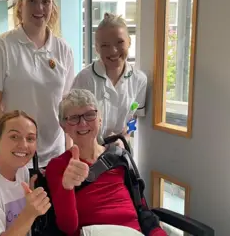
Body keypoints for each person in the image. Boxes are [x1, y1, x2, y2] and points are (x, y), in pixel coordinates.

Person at [0, 0, 75, 170]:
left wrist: (69, 151)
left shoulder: (63, 49)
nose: (39, 7)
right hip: (15, 155)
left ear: (53, 6)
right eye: (32, 0)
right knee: (20, 202)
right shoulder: (2, 46)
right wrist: (17, 141)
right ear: (20, 5)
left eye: (46, 1)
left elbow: (66, 107)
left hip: (55, 154)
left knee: (50, 202)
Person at [44, 89, 167, 236]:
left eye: (90, 115)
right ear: (63, 126)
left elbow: (142, 208)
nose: (83, 123)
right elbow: (68, 227)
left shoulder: (120, 156)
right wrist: (67, 187)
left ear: (100, 119)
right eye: (74, 118)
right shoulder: (58, 166)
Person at [71, 13, 147, 146]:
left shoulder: (139, 80)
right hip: (89, 153)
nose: (113, 51)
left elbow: (134, 117)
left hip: (120, 152)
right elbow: (72, 121)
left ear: (129, 41)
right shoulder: (85, 79)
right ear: (97, 48)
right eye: (105, 45)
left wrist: (125, 137)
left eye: (120, 42)